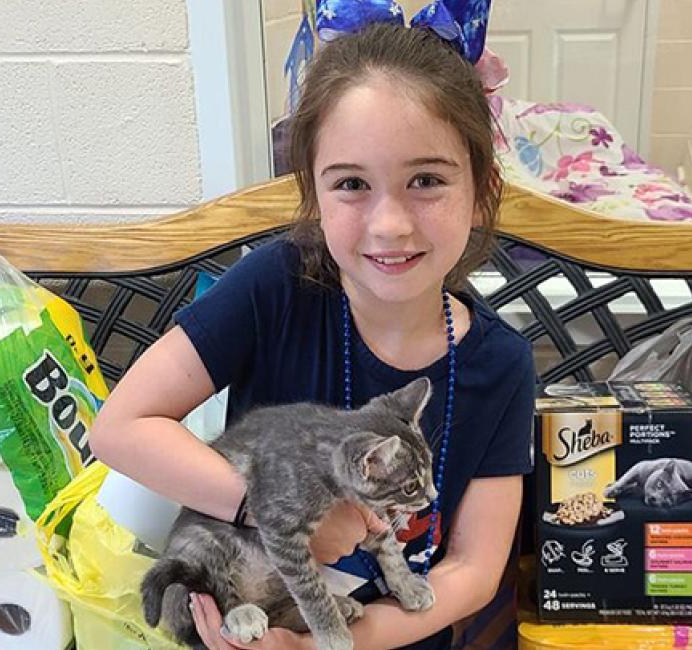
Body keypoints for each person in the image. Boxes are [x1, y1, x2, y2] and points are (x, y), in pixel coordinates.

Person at [88, 5, 535, 648]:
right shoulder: (276, 286)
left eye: (427, 180)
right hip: (252, 619)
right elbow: (120, 429)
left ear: (482, 189)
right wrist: (265, 510)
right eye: (352, 183)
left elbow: (473, 568)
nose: (390, 225)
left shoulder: (502, 364)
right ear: (313, 193)